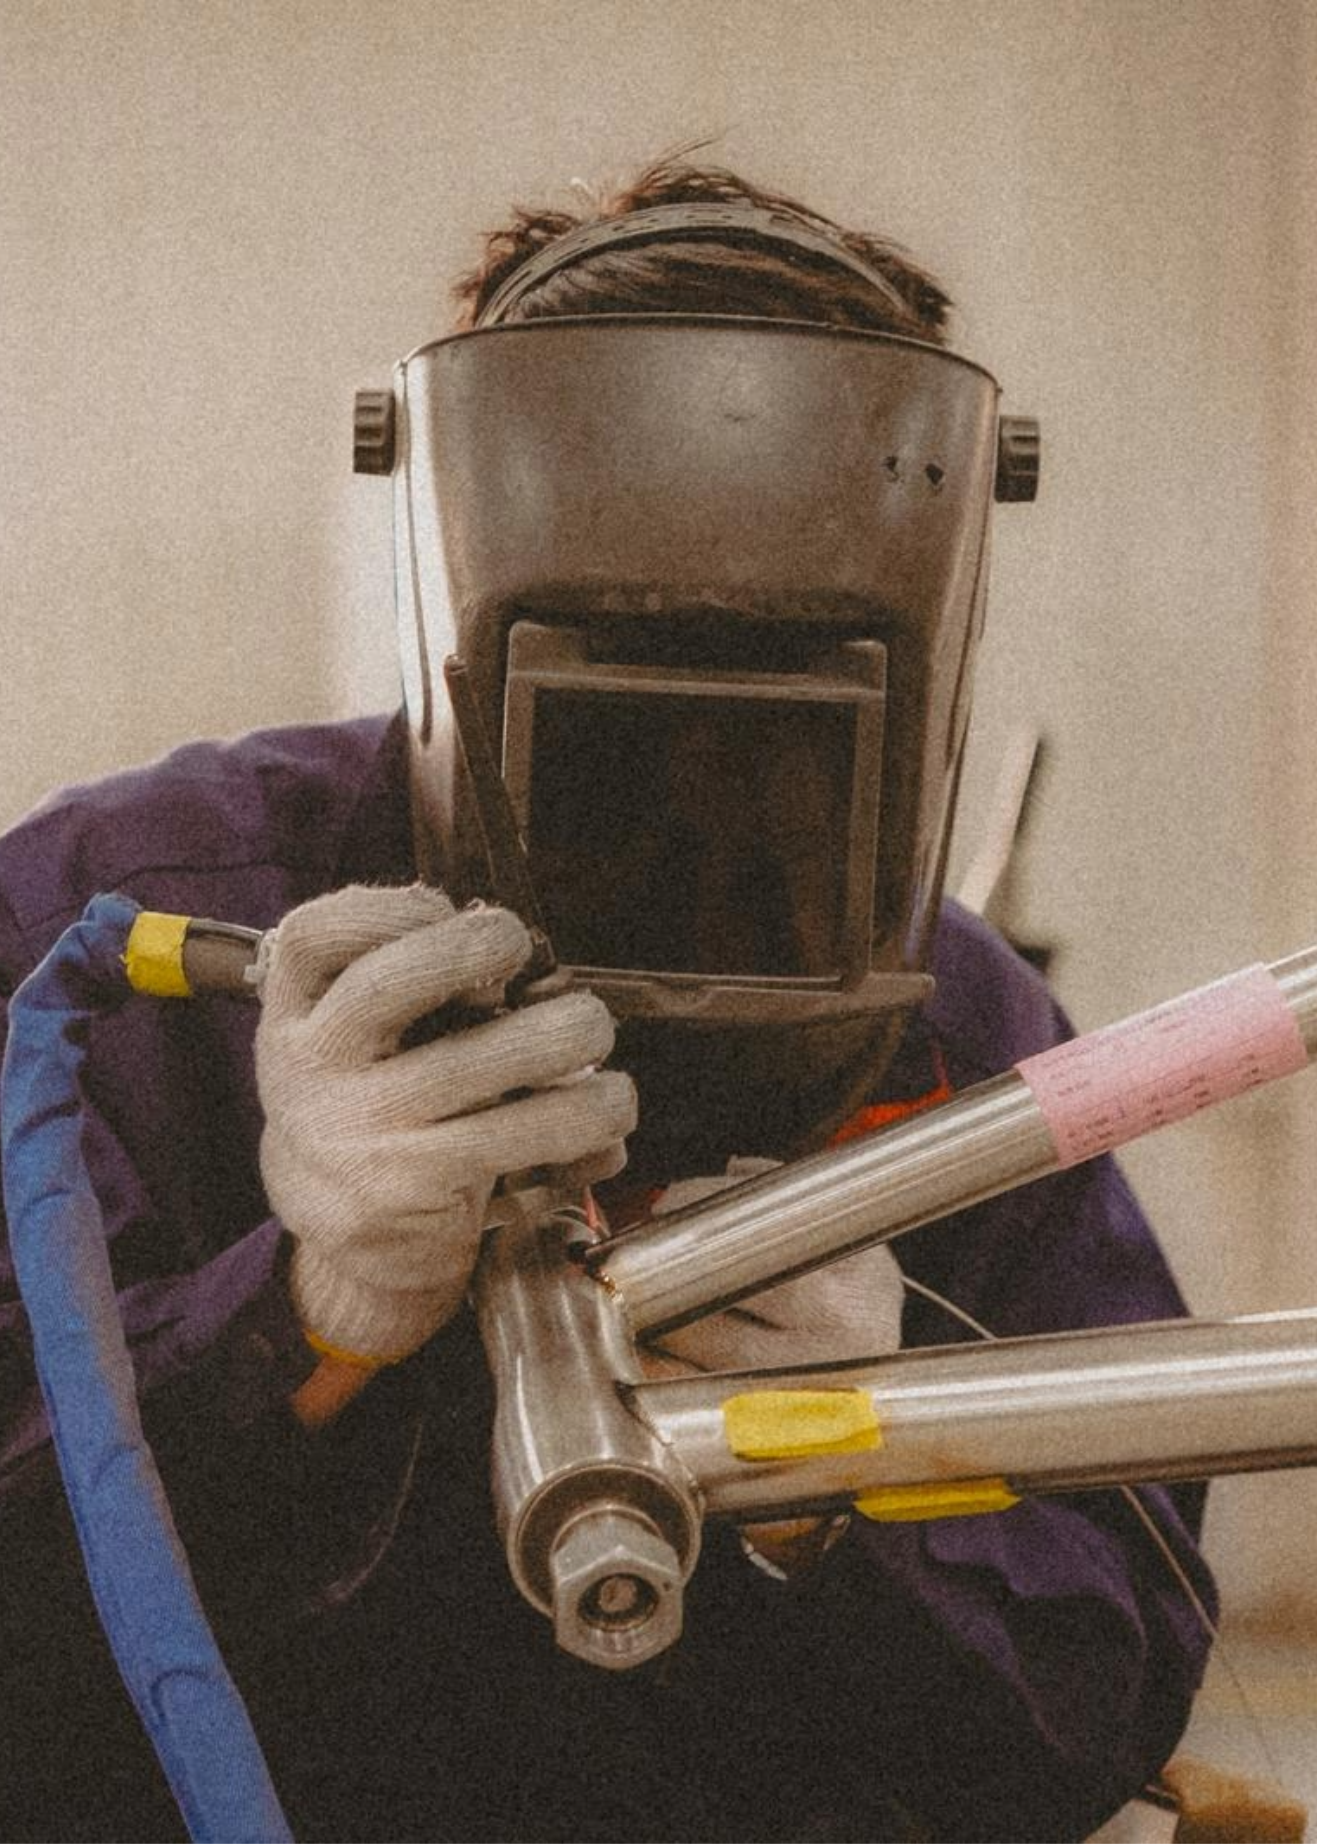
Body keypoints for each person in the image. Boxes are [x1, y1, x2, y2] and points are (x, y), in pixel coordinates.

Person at [0, 155, 1215, 1843]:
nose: (695, 818)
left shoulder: (974, 1035)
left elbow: (1093, 1707)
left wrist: (860, 1481)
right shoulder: (110, 941)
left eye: (775, 736)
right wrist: (296, 1324)